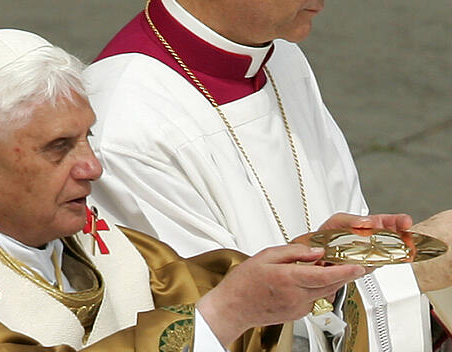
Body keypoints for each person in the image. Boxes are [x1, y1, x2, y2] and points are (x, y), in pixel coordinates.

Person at [0, 28, 374, 351]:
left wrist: (314, 261)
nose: (92, 167)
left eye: (88, 136)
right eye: (58, 147)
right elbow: (217, 311)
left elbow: (208, 287)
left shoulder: (77, 238)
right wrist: (219, 318)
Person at [84, 0, 452, 351]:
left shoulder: (278, 56)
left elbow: (344, 223)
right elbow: (215, 330)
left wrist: (379, 253)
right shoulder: (126, 124)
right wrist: (411, 276)